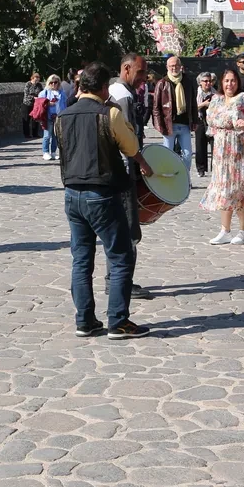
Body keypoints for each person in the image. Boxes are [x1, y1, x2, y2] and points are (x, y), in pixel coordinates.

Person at [54, 62, 155, 340]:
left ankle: (85, 320)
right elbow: (131, 147)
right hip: (102, 193)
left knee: (82, 260)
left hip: (72, 193)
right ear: (102, 88)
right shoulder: (109, 113)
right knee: (120, 257)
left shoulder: (62, 116)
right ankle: (118, 321)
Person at [108, 54, 153, 298]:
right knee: (127, 229)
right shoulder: (124, 97)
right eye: (140, 72)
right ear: (126, 68)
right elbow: (127, 139)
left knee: (117, 228)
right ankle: (121, 281)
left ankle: (113, 278)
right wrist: (141, 163)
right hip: (124, 171)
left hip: (113, 170)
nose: (143, 78)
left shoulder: (113, 90)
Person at [203, 67, 244, 245]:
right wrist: (231, 122)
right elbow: (210, 118)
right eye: (226, 81)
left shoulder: (243, 98)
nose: (230, 84)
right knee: (224, 189)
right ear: (221, 82)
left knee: (240, 190)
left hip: (241, 152)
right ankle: (225, 230)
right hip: (222, 153)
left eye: (233, 80)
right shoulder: (216, 100)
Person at [152, 55, 198, 170]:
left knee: (187, 155)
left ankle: (184, 177)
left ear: (180, 66)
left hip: (184, 125)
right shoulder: (162, 83)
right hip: (169, 126)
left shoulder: (187, 81)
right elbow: (156, 107)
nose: (174, 68)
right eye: (172, 66)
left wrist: (195, 120)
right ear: (167, 67)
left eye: (176, 65)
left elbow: (193, 103)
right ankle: (168, 176)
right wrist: (159, 125)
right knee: (167, 154)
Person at [194, 72, 217, 178]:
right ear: (200, 82)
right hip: (200, 121)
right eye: (205, 81)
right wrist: (203, 104)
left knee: (214, 147)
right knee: (200, 146)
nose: (208, 83)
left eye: (210, 81)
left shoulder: (215, 93)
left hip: (213, 122)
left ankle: (215, 168)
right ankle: (201, 169)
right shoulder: (196, 93)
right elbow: (193, 108)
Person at [39, 75, 64, 160]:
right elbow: (39, 104)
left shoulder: (62, 93)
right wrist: (48, 104)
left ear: (58, 83)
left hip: (58, 116)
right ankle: (45, 152)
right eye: (51, 82)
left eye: (55, 82)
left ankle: (53, 152)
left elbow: (65, 104)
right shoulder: (44, 93)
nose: (53, 84)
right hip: (48, 117)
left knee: (56, 136)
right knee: (47, 135)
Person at [23, 72, 44, 138]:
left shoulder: (39, 85)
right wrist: (34, 97)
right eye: (36, 78)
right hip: (27, 103)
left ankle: (35, 133)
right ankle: (27, 134)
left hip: (36, 104)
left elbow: (42, 92)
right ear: (33, 78)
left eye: (38, 79)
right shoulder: (28, 84)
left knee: (35, 119)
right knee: (26, 119)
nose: (37, 80)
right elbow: (26, 94)